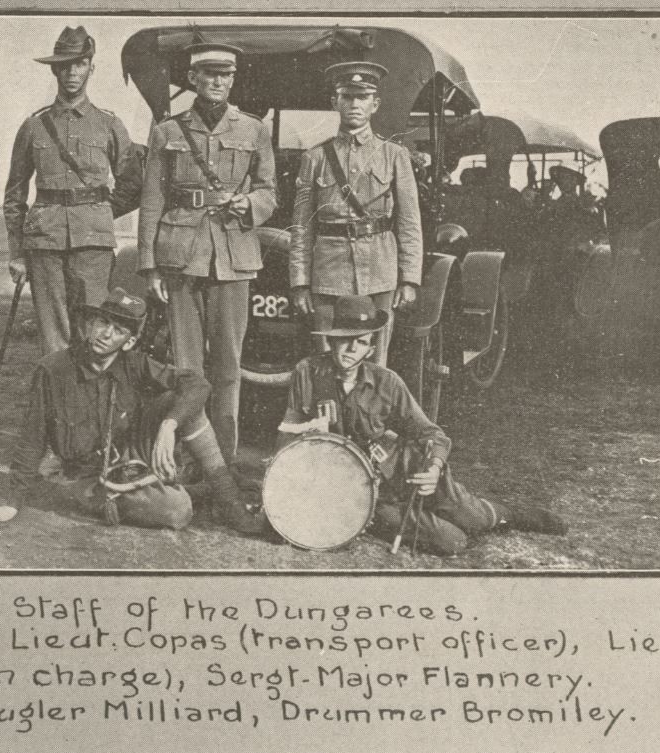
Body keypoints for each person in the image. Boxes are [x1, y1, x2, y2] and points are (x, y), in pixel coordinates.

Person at [275, 295, 568, 556]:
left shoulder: (386, 382)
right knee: (452, 542)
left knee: (473, 519)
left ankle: (510, 515)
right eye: (345, 339)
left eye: (362, 341)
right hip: (361, 491)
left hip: (405, 471)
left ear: (370, 347)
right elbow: (287, 434)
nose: (352, 348)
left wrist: (433, 469)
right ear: (332, 340)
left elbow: (433, 435)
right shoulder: (309, 372)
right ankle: (416, 516)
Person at [0, 288, 265, 534]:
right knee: (178, 512)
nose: (105, 333)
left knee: (183, 404)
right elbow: (32, 438)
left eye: (118, 330)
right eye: (102, 322)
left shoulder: (134, 363)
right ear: (90, 324)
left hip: (132, 452)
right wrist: (11, 503)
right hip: (90, 475)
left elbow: (197, 384)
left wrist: (169, 425)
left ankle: (229, 502)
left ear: (128, 342)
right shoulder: (54, 370)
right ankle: (203, 490)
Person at [138, 42, 277, 463]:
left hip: (234, 255)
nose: (218, 81)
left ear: (233, 79)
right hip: (180, 255)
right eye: (209, 74)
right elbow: (152, 200)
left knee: (229, 367)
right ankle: (186, 459)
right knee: (187, 367)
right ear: (194, 78)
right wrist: (149, 266)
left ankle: (224, 464)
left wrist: (250, 205)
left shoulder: (253, 130)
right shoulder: (168, 130)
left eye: (226, 75)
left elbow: (270, 191)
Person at [4, 26, 143, 355]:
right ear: (54, 69)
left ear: (91, 68)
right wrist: (17, 253)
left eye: (79, 64)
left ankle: (89, 406)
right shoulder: (33, 126)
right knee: (53, 338)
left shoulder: (109, 124)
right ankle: (59, 404)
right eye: (65, 65)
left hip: (93, 244)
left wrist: (101, 212)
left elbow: (132, 183)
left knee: (94, 331)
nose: (71, 72)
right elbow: (14, 195)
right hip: (44, 243)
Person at [290, 61, 422, 367]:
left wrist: (409, 279)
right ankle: (329, 415)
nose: (354, 105)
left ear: (375, 104)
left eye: (362, 98)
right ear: (335, 102)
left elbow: (409, 223)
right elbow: (301, 228)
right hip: (328, 274)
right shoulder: (315, 157)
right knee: (326, 358)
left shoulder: (394, 156)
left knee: (376, 358)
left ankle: (369, 415)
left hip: (380, 270)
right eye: (347, 97)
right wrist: (300, 282)